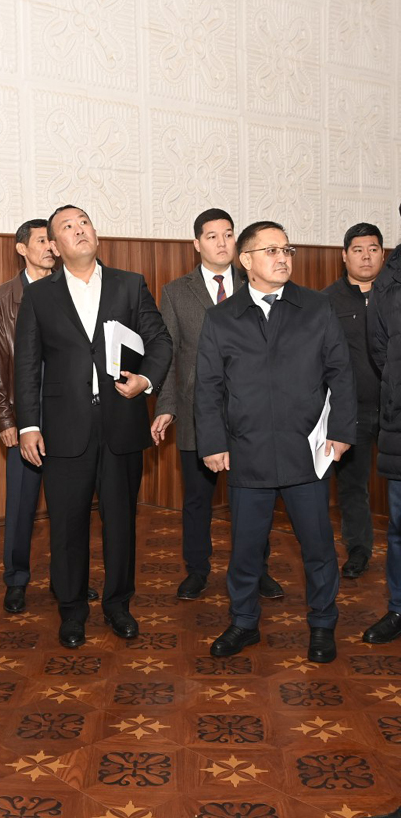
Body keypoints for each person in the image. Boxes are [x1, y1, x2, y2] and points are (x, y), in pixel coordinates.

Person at [196, 221, 355, 662]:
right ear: (245, 260)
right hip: (247, 452)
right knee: (246, 550)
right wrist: (212, 442)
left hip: (308, 451)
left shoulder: (316, 307)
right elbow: (207, 387)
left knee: (318, 547)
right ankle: (244, 622)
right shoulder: (221, 317)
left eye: (287, 249)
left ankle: (322, 624)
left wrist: (342, 431)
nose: (282, 257)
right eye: (271, 250)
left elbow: (341, 373)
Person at [16, 205, 172, 649]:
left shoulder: (130, 284)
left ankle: (119, 605)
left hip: (121, 423)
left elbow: (160, 340)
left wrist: (146, 381)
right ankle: (72, 611)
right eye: (67, 227)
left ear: (96, 233)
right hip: (64, 428)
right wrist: (28, 425)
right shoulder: (39, 296)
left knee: (121, 521)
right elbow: (26, 364)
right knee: (67, 525)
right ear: (54, 245)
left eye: (84, 222)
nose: (79, 230)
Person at [152, 209, 282, 601]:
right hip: (198, 411)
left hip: (251, 412)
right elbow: (168, 354)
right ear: (197, 244)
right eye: (212, 236)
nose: (222, 242)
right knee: (197, 499)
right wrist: (166, 406)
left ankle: (257, 568)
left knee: (255, 497)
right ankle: (197, 569)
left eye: (228, 234)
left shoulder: (256, 283)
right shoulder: (176, 292)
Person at [0, 219, 56, 613]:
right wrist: (6, 420)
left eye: (52, 240)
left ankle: (67, 577)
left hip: (68, 416)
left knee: (68, 505)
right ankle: (16, 579)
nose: (50, 247)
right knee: (21, 505)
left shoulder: (68, 288)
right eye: (41, 240)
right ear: (22, 249)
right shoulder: (4, 298)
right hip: (25, 417)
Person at [322, 222, 384, 579]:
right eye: (358, 250)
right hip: (350, 410)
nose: (366, 256)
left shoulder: (394, 295)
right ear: (344, 256)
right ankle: (359, 549)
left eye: (373, 249)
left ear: (383, 254)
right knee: (352, 486)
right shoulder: (327, 301)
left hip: (394, 409)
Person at [365, 208, 401, 645]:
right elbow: (379, 349)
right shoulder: (389, 277)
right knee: (400, 527)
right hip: (400, 422)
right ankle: (398, 608)